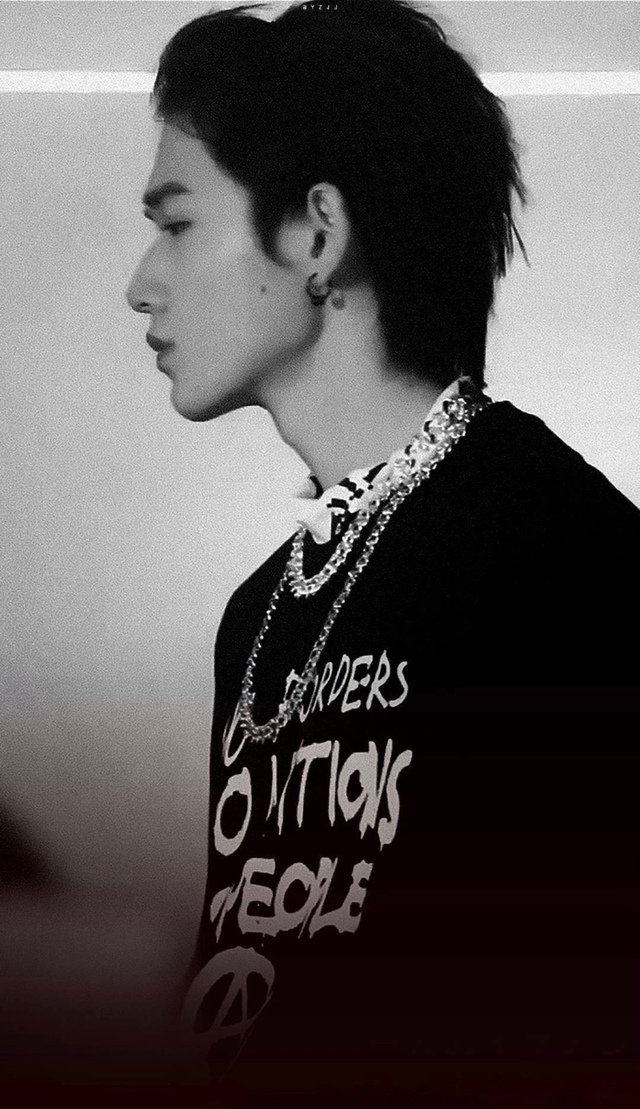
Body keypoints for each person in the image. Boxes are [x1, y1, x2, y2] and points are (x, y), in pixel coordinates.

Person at [126, 1, 640, 1105]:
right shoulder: (258, 618)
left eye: (178, 223)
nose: (142, 282)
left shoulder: (565, 555)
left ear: (318, 233)